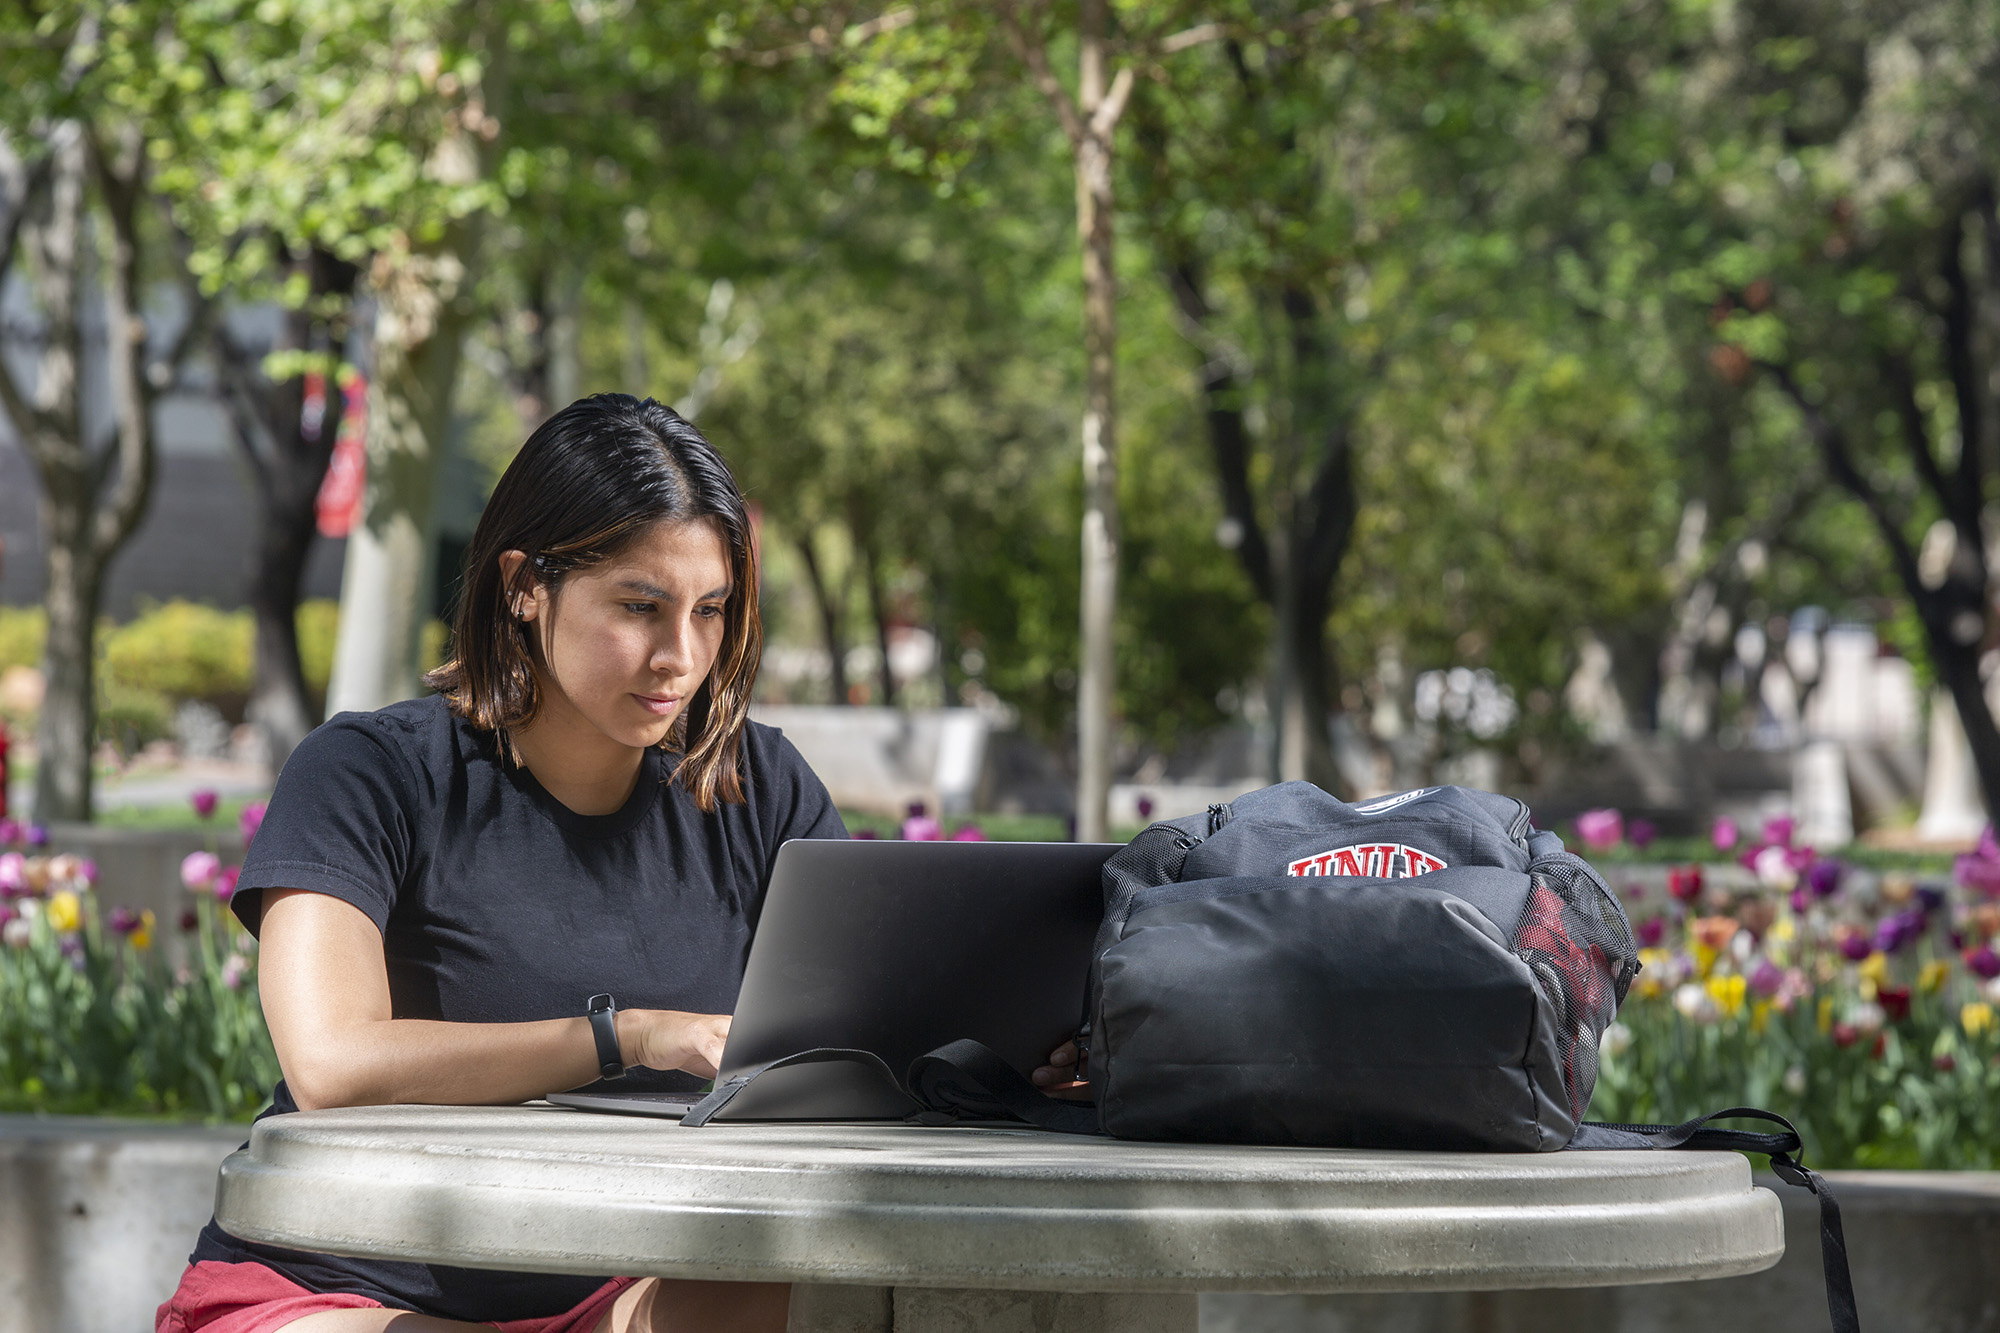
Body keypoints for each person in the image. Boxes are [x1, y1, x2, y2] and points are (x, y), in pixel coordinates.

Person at [155, 395, 845, 1333]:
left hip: (617, 1287)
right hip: (348, 1292)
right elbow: (331, 1060)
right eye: (640, 606)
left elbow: (861, 1037)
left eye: (711, 610)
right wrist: (628, 1036)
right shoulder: (369, 772)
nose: (681, 656)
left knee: (756, 1287)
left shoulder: (758, 788)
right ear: (525, 585)